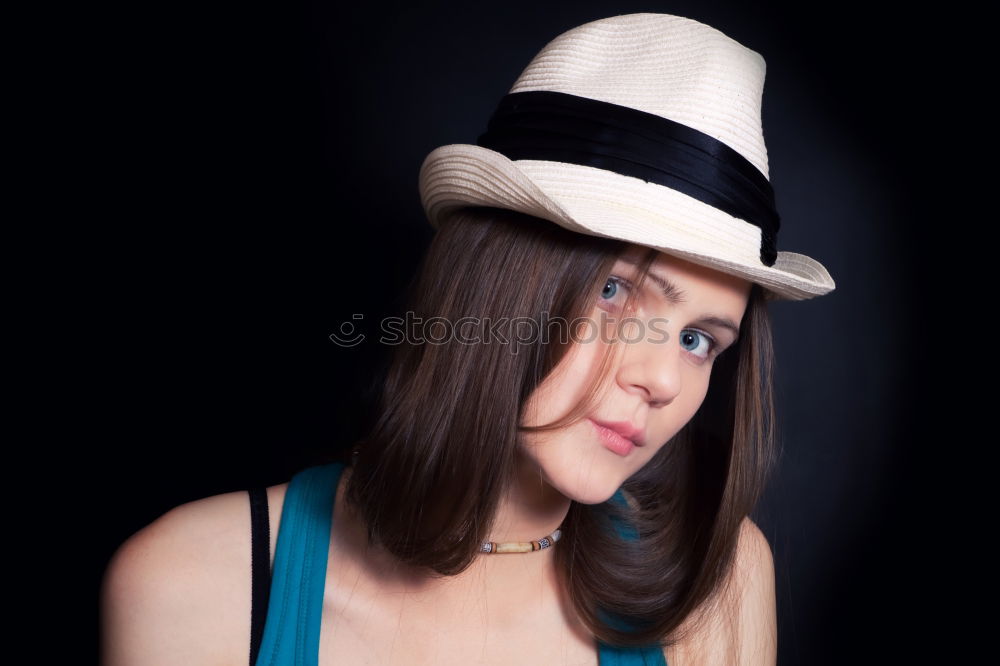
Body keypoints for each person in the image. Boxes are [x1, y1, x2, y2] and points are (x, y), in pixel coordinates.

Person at [100, 12, 835, 666]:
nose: (664, 381)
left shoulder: (717, 577)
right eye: (615, 292)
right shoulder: (194, 583)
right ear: (493, 282)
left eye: (700, 341)